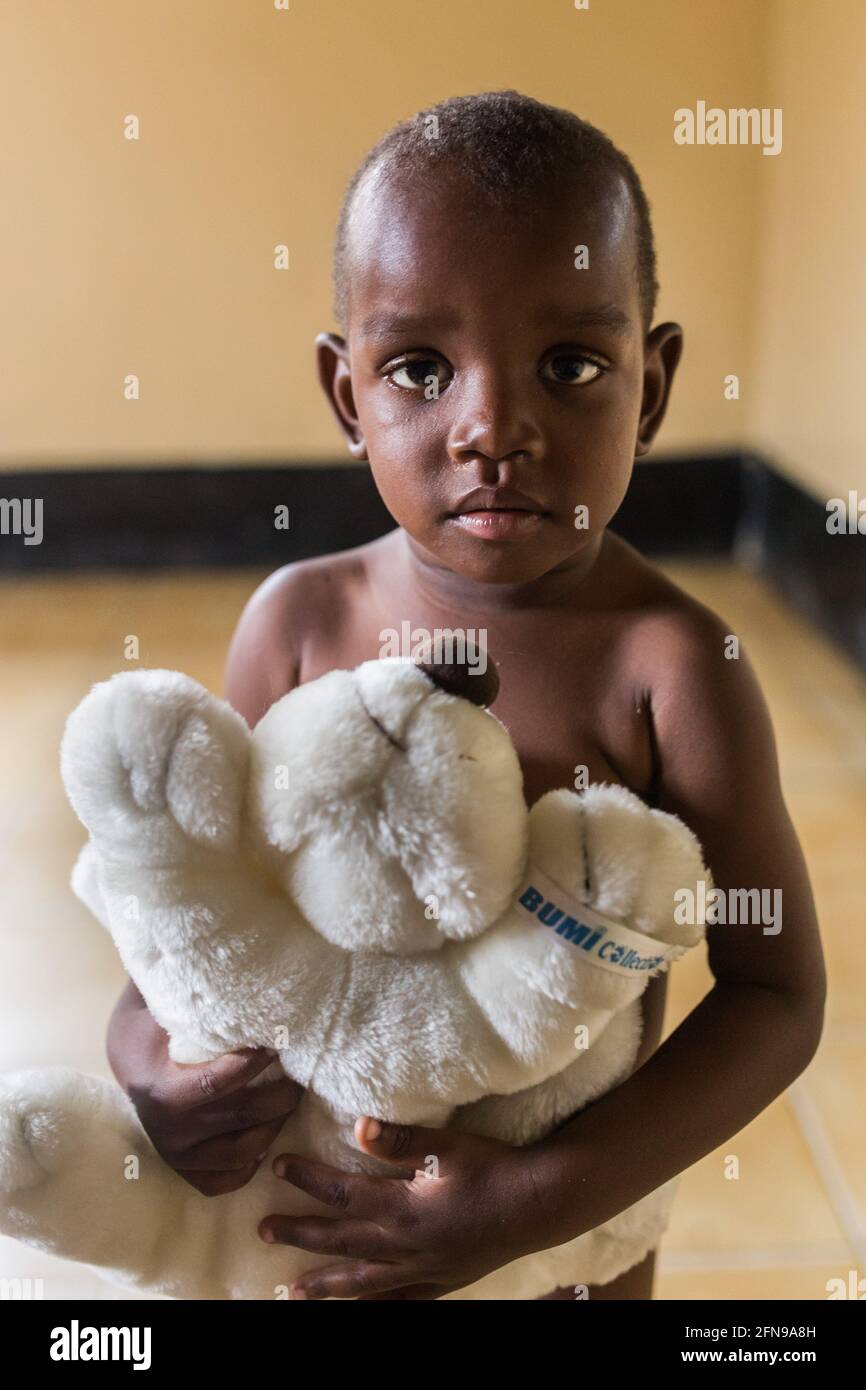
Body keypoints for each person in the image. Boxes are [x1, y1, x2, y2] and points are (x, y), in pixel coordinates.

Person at [106, 90, 826, 1300]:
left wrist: (528, 1206)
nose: (493, 426)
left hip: (560, 1259)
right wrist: (145, 1069)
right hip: (323, 1227)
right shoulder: (297, 626)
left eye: (569, 364)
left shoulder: (670, 667)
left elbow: (776, 994)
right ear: (349, 397)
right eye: (421, 368)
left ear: (649, 389)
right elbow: (186, 917)